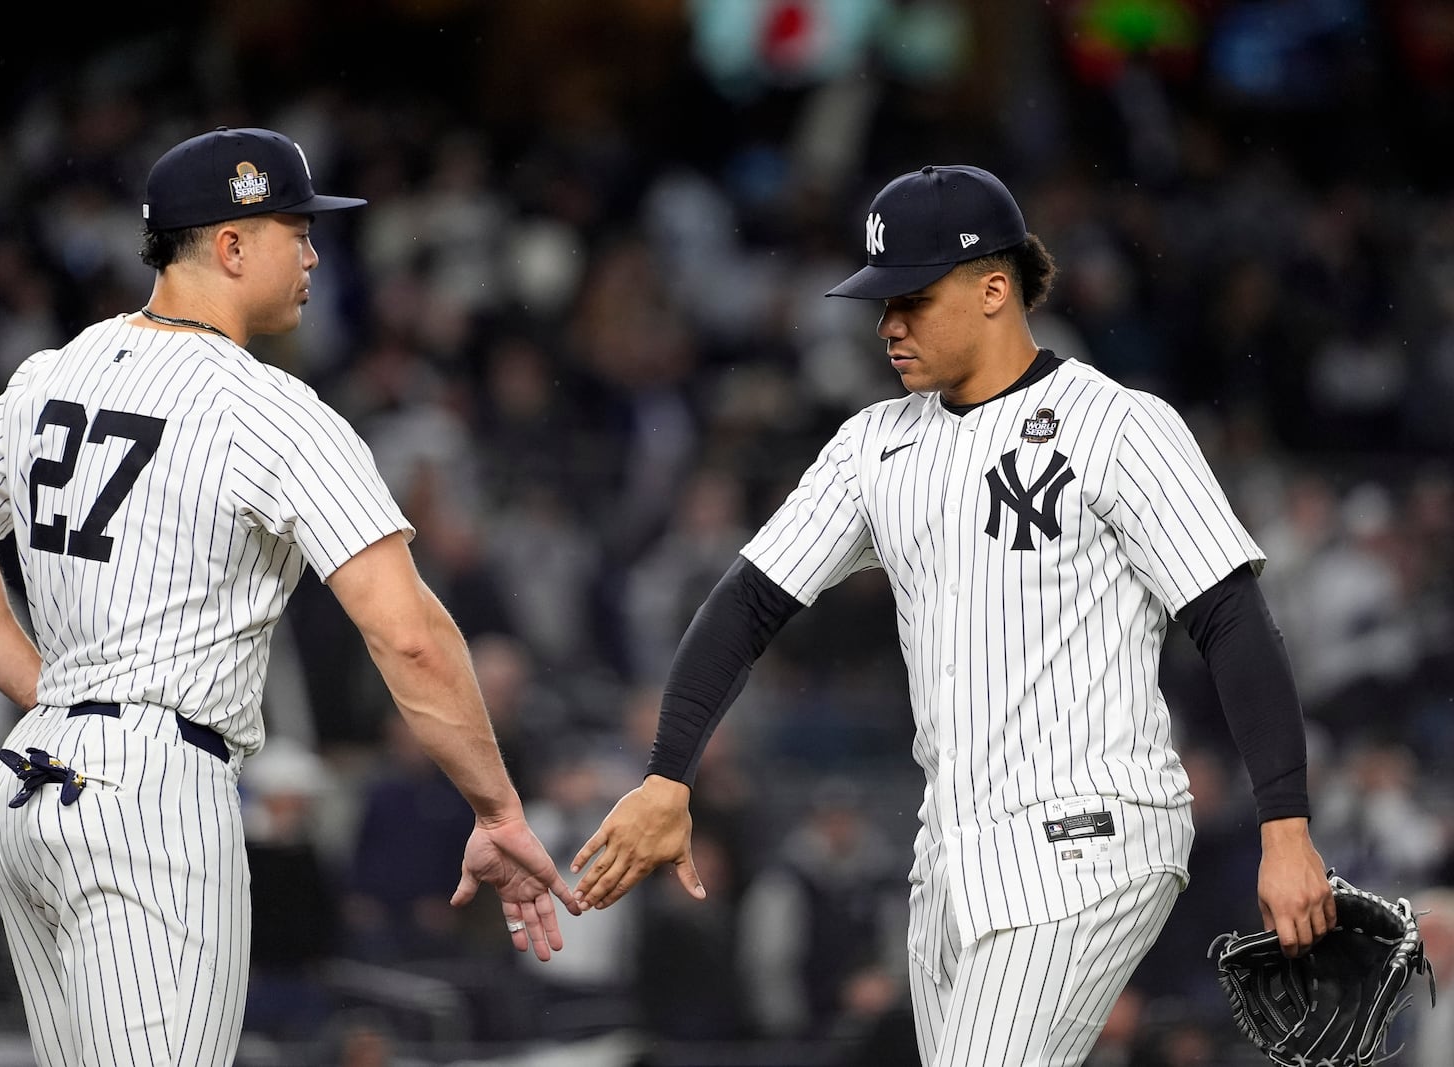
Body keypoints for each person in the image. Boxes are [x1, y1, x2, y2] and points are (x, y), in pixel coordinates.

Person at [571, 164, 1335, 1065]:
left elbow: (1232, 617)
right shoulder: (874, 444)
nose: (888, 323)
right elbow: (746, 603)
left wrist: (1286, 829)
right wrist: (668, 775)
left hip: (1094, 828)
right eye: (879, 301)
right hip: (951, 848)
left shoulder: (1117, 425)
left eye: (912, 298)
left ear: (994, 287)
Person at [0, 125, 579, 1067]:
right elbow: (406, 630)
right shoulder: (268, 407)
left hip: (27, 788)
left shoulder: (51, 374)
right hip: (153, 795)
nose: (313, 254)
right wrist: (497, 811)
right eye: (297, 230)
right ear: (231, 243)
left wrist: (50, 694)